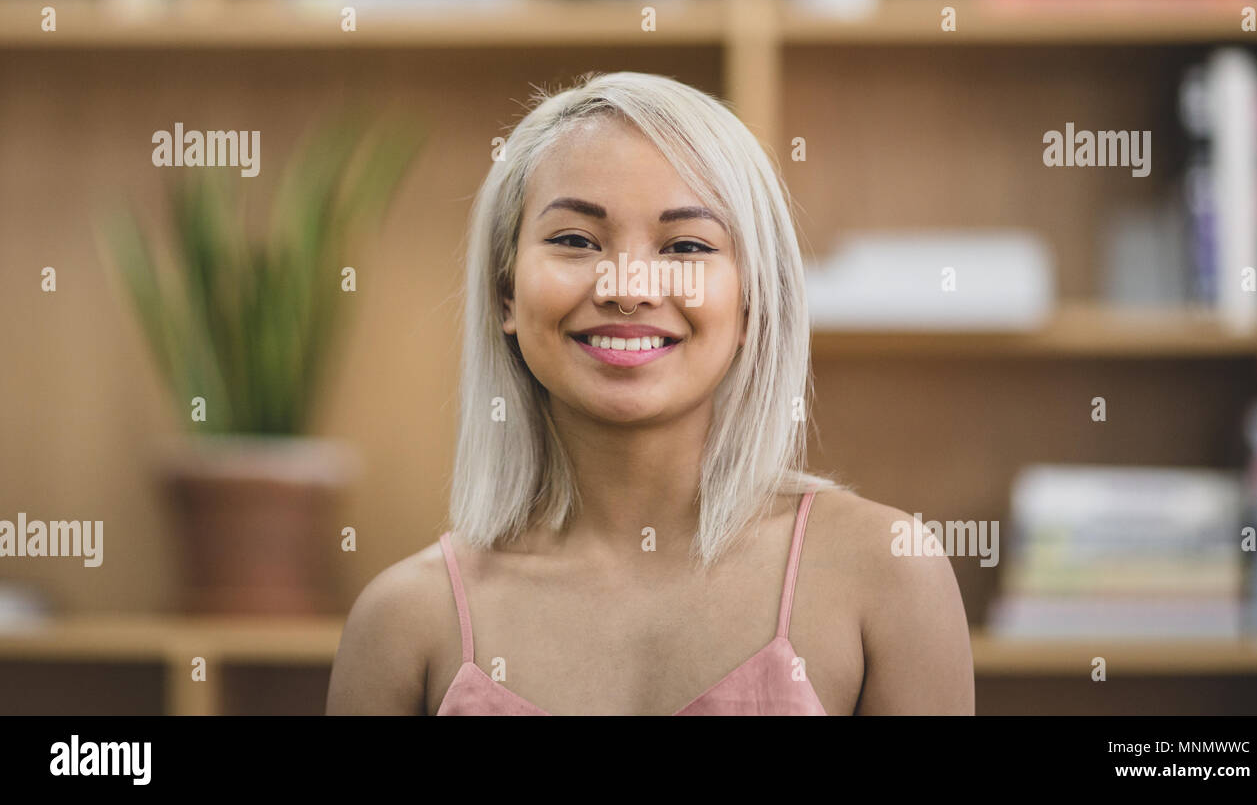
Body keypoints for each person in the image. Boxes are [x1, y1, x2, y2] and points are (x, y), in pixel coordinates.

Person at [327, 71, 974, 715]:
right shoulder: (403, 623)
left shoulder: (889, 574)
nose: (628, 287)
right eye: (575, 241)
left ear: (751, 303)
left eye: (686, 245)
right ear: (506, 296)